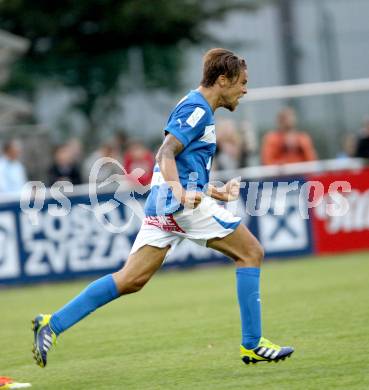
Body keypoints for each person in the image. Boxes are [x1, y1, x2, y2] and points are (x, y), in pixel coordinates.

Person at [32, 48, 294, 368]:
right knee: (251, 252)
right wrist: (182, 194)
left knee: (130, 279)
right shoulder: (197, 110)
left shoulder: (198, 109)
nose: (245, 89)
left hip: (165, 203)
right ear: (223, 80)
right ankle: (252, 344)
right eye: (242, 82)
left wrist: (214, 192)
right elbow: (164, 154)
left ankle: (52, 324)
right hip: (177, 206)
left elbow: (182, 167)